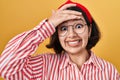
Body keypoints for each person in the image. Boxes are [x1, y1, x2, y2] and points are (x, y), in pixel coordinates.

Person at [0, 0, 120, 80]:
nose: (72, 35)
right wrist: (49, 25)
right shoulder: (43, 65)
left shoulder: (108, 71)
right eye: (63, 28)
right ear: (56, 33)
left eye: (78, 26)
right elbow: (5, 67)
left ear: (89, 30)